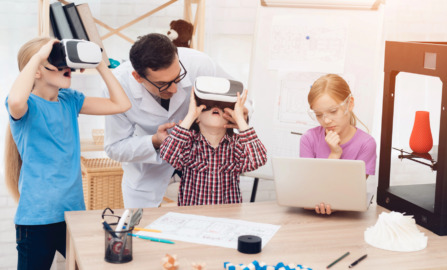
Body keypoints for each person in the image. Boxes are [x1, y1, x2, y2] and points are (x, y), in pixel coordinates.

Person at [4, 37, 131, 269]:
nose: (66, 68)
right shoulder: (26, 106)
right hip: (37, 220)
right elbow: (16, 99)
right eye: (56, 62)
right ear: (37, 71)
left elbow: (121, 104)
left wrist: (99, 63)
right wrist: (38, 57)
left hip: (73, 216)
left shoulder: (70, 100)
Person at [103, 33, 248, 208]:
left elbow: (241, 97)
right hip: (149, 165)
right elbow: (114, 147)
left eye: (178, 77)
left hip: (200, 158)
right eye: (163, 84)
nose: (174, 89)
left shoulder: (199, 64)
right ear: (137, 77)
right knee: (142, 225)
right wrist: (155, 141)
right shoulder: (117, 86)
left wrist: (243, 115)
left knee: (204, 220)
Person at [160, 89, 267, 205]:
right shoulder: (189, 143)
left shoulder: (236, 144)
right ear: (197, 118)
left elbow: (258, 159)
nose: (215, 108)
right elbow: (167, 154)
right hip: (193, 215)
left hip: (227, 216)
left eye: (222, 107)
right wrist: (190, 116)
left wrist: (240, 119)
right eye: (207, 106)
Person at [299, 74, 377, 215]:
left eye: (333, 111)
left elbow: (351, 195)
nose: (326, 121)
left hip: (349, 221)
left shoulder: (366, 144)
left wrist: (328, 199)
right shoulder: (309, 139)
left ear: (350, 104)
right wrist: (334, 154)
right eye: (319, 114)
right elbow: (307, 198)